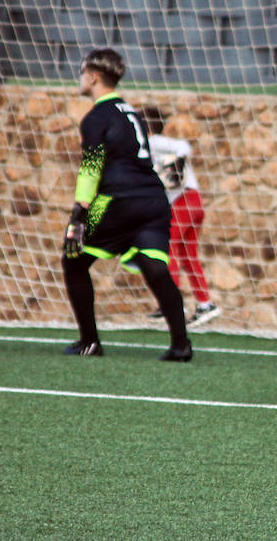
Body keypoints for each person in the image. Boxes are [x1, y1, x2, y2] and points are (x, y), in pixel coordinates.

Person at [60, 48, 194, 362]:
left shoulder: (96, 116)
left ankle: (89, 342)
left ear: (93, 77)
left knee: (73, 259)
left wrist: (79, 211)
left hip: (116, 201)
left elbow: (91, 166)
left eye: (82, 73)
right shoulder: (131, 111)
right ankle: (181, 344)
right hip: (154, 200)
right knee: (155, 269)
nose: (80, 79)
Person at [142, 104, 220, 327]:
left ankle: (170, 303)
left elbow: (184, 147)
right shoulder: (150, 148)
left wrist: (173, 169)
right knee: (187, 254)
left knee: (168, 247)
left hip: (185, 200)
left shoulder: (153, 142)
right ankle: (205, 303)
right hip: (194, 202)